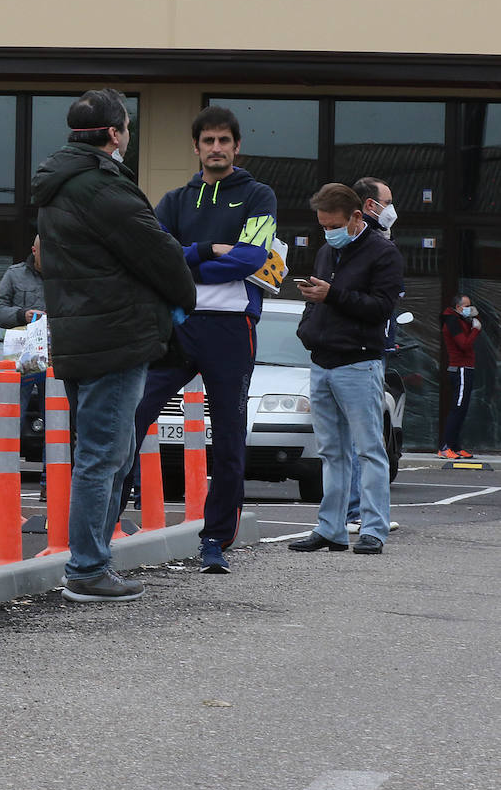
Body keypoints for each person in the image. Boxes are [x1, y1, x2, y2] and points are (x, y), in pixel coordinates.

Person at [32, 89, 197, 602]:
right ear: (113, 134)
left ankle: (92, 562)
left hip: (81, 333)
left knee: (103, 452)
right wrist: (182, 296)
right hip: (116, 335)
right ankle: (87, 568)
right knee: (105, 455)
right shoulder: (102, 186)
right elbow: (159, 251)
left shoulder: (60, 184)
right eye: (126, 127)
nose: (128, 136)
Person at [123, 106, 278, 574]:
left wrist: (188, 261)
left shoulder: (258, 195)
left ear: (236, 146)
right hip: (177, 324)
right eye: (207, 141)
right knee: (131, 417)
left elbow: (252, 258)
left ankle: (215, 540)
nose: (215, 148)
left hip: (231, 329)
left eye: (223, 141)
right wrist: (208, 250)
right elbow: (158, 253)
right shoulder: (174, 198)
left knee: (229, 437)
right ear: (196, 147)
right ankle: (108, 524)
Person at [289, 183, 404, 556]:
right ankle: (331, 529)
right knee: (331, 452)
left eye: (333, 224)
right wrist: (308, 323)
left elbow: (380, 309)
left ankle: (373, 529)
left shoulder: (383, 253)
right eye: (322, 225)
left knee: (369, 449)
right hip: (322, 361)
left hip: (358, 362)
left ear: (356, 217)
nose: (328, 232)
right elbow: (324, 297)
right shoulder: (326, 251)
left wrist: (330, 296)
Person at [344, 176, 404, 530]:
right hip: (362, 350)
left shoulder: (378, 241)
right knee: (361, 436)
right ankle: (355, 512)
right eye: (387, 202)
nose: (392, 210)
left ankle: (363, 511)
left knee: (367, 436)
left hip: (373, 348)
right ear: (370, 206)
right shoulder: (361, 243)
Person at [0, 234, 47, 502]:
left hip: (56, 357)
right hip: (21, 356)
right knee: (11, 417)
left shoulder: (69, 275)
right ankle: (5, 483)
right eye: (44, 253)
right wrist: (21, 315)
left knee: (59, 424)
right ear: (33, 250)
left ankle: (51, 483)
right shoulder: (15, 275)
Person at [440, 293, 482, 459]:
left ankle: (455, 446)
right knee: (458, 408)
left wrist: (473, 322)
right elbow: (464, 345)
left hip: (466, 368)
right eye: (466, 306)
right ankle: (445, 447)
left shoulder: (459, 320)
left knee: (462, 409)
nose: (469, 309)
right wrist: (475, 331)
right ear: (458, 307)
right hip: (461, 368)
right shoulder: (452, 321)